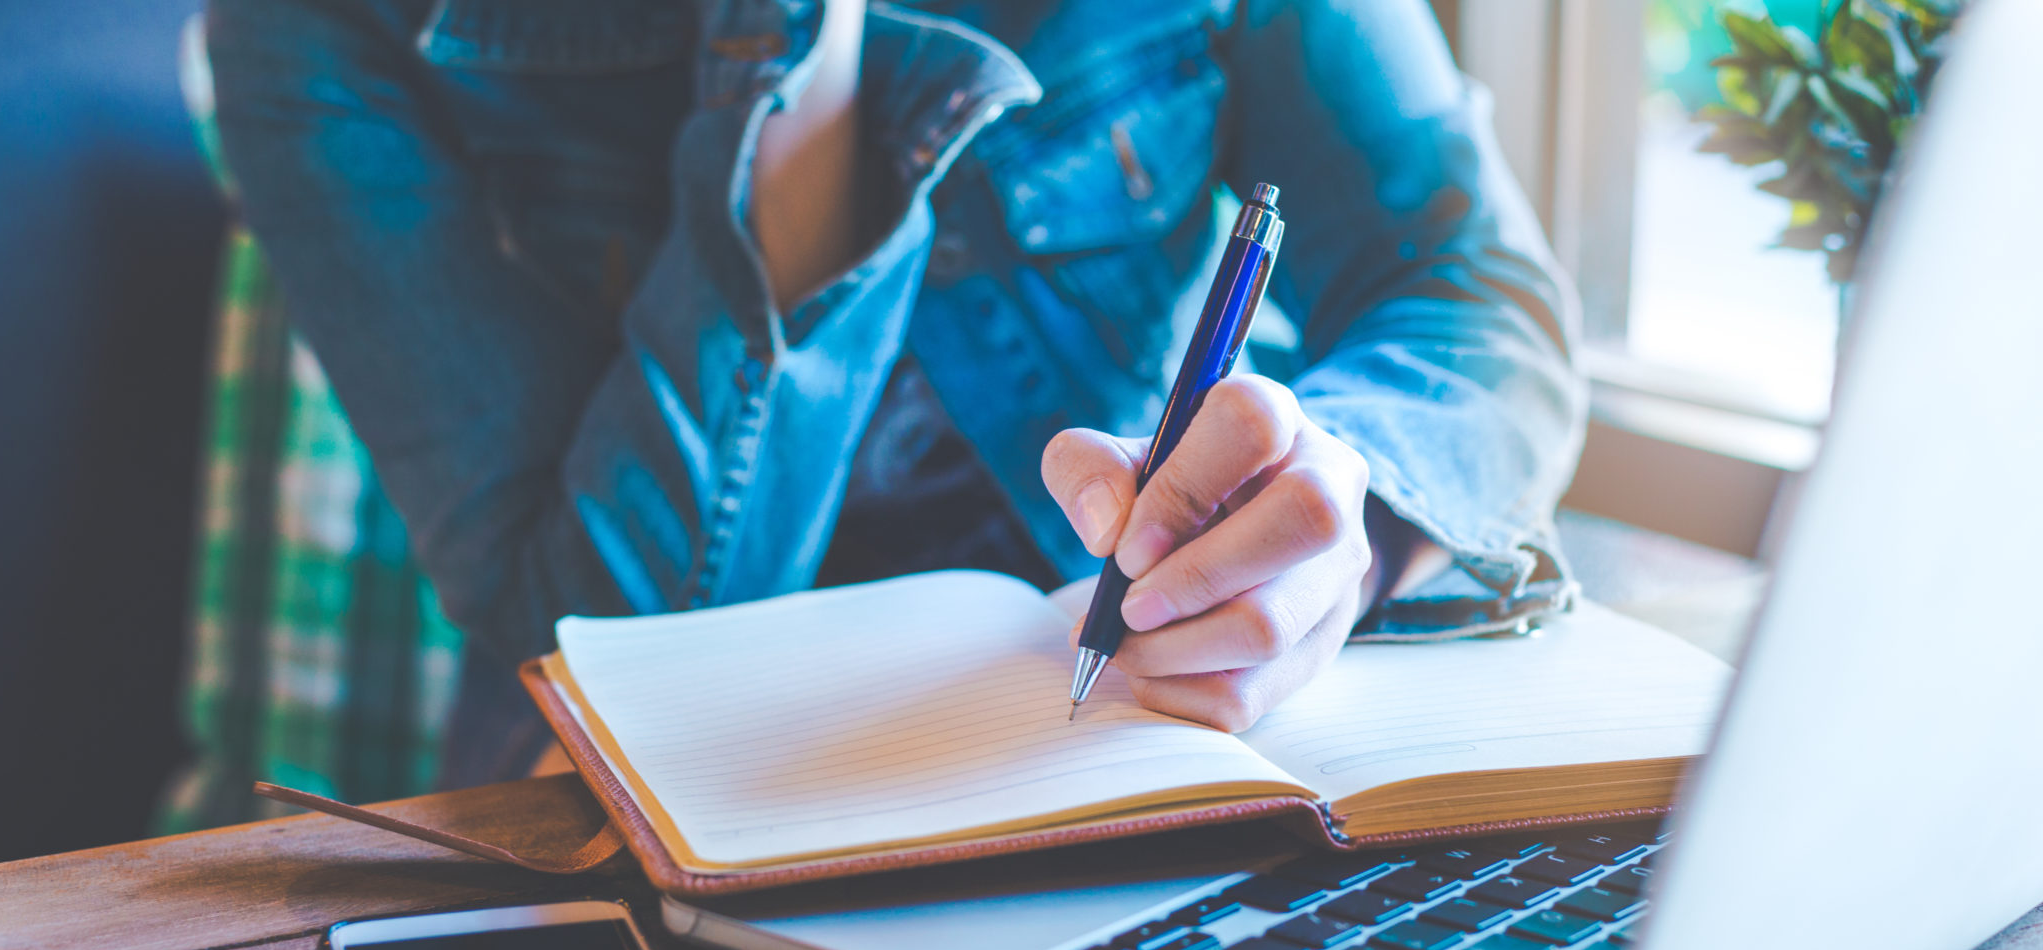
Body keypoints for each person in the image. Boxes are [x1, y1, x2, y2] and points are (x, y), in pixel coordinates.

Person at [205, 0, 1584, 787]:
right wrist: (794, 64)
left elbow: (1475, 292)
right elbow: (601, 651)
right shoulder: (322, 30)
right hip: (622, 822)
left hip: (1106, 742)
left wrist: (1346, 506)